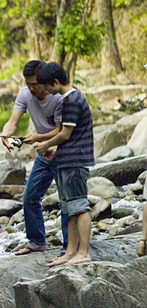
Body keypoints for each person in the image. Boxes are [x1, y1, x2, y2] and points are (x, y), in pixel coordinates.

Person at [2, 60, 68, 255]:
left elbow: (61, 130)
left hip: (62, 151)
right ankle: (37, 242)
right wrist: (6, 133)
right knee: (30, 197)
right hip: (43, 152)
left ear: (45, 80)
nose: (31, 88)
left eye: (35, 84)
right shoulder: (25, 94)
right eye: (28, 83)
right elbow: (13, 122)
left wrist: (39, 138)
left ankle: (70, 248)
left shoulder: (58, 98)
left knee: (67, 200)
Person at [35, 62, 94, 266]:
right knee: (70, 208)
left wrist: (45, 144)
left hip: (76, 161)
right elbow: (70, 136)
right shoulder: (73, 98)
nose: (47, 92)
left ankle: (84, 252)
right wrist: (55, 148)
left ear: (56, 82)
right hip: (68, 159)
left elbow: (66, 133)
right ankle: (70, 252)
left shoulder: (71, 100)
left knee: (80, 206)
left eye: (48, 87)